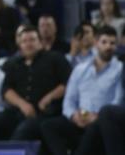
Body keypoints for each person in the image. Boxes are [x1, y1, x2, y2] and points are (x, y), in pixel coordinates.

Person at [40, 26, 123, 155]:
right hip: (80, 118)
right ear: (96, 43)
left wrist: (96, 117)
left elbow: (118, 100)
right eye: (104, 42)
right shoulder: (80, 69)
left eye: (112, 43)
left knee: (95, 128)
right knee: (48, 126)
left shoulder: (120, 69)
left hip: (101, 121)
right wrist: (73, 116)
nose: (108, 47)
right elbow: (69, 100)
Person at [0, 25, 70, 143]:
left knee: (24, 130)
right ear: (20, 45)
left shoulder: (55, 58)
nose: (28, 44)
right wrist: (22, 105)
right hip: (18, 111)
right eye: (24, 41)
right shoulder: (13, 63)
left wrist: (49, 97)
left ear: (40, 42)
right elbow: (6, 89)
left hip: (45, 113)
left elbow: (68, 83)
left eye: (32, 40)